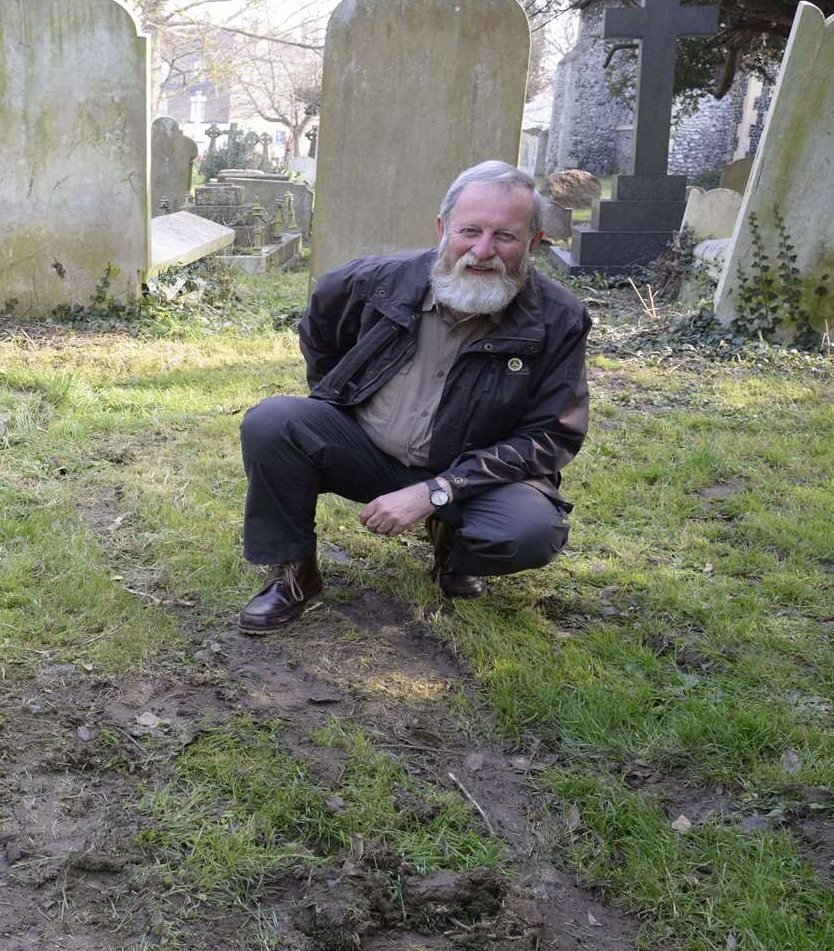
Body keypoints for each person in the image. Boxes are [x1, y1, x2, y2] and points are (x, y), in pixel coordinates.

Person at [236, 160, 590, 632]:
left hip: (475, 472)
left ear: (534, 242)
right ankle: (292, 573)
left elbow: (550, 436)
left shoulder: (558, 319)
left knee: (528, 532)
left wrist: (439, 490)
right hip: (369, 453)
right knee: (274, 422)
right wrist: (336, 399)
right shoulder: (375, 281)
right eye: (469, 231)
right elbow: (321, 330)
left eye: (504, 237)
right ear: (443, 228)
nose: (482, 251)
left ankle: (455, 551)